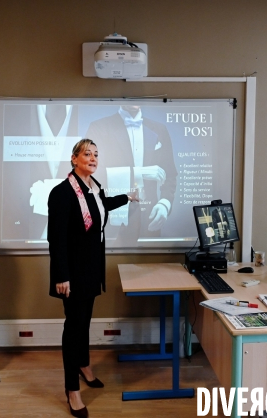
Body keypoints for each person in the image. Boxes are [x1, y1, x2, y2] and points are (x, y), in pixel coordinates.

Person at [47, 139, 136, 417]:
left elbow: (102, 206)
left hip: (91, 270)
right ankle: (72, 389)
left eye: (96, 154)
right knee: (73, 328)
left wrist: (128, 198)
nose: (93, 158)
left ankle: (84, 366)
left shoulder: (94, 187)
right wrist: (62, 275)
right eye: (87, 154)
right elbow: (56, 238)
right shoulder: (62, 193)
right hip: (72, 274)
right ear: (74, 159)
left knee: (84, 323)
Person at [86, 105, 178, 247]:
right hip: (113, 214)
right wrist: (136, 173)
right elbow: (90, 172)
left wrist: (165, 203)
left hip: (150, 216)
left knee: (151, 266)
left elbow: (170, 173)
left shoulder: (159, 129)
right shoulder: (99, 127)